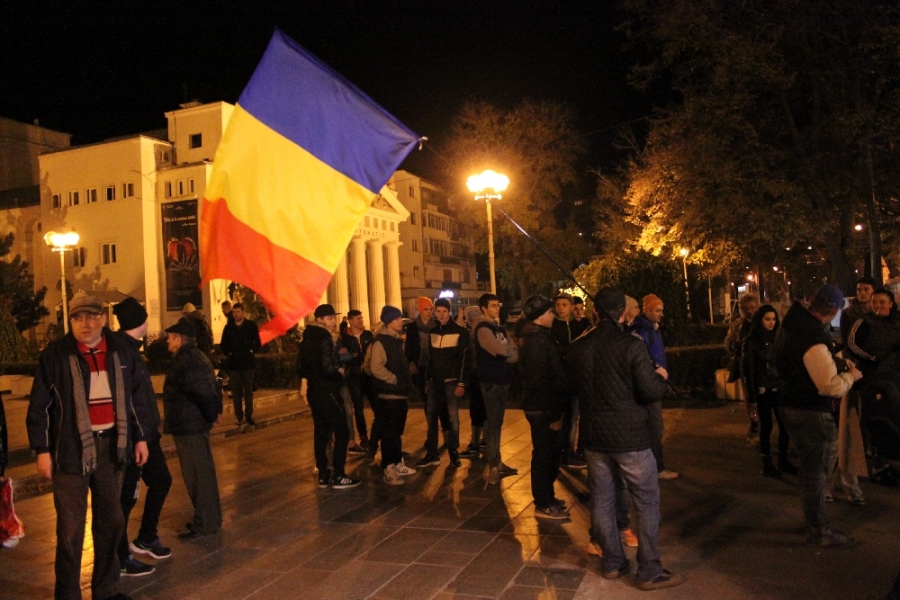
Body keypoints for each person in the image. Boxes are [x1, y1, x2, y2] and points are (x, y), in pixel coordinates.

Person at [27, 292, 150, 600]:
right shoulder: (56, 355)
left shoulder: (121, 351)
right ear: (70, 322)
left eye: (91, 317)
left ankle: (106, 590)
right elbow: (39, 406)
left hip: (112, 448)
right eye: (77, 318)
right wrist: (42, 450)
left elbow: (134, 399)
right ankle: (67, 594)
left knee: (111, 522)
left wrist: (140, 438)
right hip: (69, 452)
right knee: (70, 531)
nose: (84, 324)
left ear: (103, 319)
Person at [570, 288, 681, 591]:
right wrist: (660, 375)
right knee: (645, 501)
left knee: (603, 501)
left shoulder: (580, 347)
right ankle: (648, 570)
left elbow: (572, 387)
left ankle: (612, 562)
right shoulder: (631, 346)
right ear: (622, 313)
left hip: (594, 437)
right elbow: (650, 391)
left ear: (594, 313)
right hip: (629, 437)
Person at [775, 285, 862, 546]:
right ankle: (818, 529)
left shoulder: (792, 324)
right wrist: (850, 376)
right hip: (810, 410)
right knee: (815, 470)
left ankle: (814, 522)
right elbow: (828, 386)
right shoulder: (811, 335)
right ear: (833, 310)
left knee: (808, 469)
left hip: (790, 404)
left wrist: (833, 360)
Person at [113, 297, 173, 576]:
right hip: (137, 438)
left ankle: (146, 538)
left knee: (161, 480)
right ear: (139, 321)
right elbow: (129, 400)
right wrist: (139, 436)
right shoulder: (122, 353)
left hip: (147, 434)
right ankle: (120, 555)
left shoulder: (131, 351)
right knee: (127, 496)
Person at [163, 319, 223, 540]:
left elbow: (204, 392)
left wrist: (212, 414)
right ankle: (210, 518)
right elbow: (213, 387)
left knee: (197, 475)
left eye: (170, 337)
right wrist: (215, 412)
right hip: (193, 423)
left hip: (190, 425)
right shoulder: (196, 356)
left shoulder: (187, 360)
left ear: (179, 339)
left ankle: (204, 522)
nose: (168, 341)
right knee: (202, 473)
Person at [296, 304, 360, 489]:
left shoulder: (306, 339)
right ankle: (339, 475)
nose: (333, 322)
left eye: (334, 318)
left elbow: (300, 368)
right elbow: (328, 367)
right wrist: (338, 372)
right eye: (330, 318)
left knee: (321, 432)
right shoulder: (324, 339)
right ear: (320, 320)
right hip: (328, 390)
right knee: (341, 431)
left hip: (314, 391)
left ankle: (324, 475)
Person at [518, 295, 570, 519]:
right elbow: (540, 382)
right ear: (539, 316)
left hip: (544, 408)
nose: (553, 315)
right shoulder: (537, 343)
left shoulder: (542, 338)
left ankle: (548, 496)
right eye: (549, 312)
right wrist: (553, 414)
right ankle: (543, 502)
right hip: (542, 409)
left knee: (550, 454)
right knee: (544, 455)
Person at [742, 304, 796, 477]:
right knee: (767, 426)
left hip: (778, 385)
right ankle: (767, 463)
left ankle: (783, 460)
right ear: (760, 320)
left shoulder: (780, 338)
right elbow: (749, 368)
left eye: (773, 319)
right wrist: (752, 394)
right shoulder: (752, 341)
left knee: (784, 424)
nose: (771, 323)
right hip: (763, 387)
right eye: (767, 319)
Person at [470, 293, 519, 484]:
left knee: (497, 423)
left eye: (497, 305)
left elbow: (512, 348)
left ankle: (497, 462)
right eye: (492, 305)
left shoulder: (499, 327)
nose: (496, 308)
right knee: (492, 424)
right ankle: (493, 465)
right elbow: (498, 349)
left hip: (502, 379)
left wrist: (509, 353)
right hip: (491, 381)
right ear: (484, 308)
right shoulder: (482, 327)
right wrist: (508, 353)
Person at [629, 294, 678, 480]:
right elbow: (642, 360)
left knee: (654, 426)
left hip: (654, 382)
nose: (661, 314)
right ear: (647, 310)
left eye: (661, 310)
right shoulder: (642, 330)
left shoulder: (650, 328)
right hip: (650, 385)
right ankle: (656, 468)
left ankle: (653, 467)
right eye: (657, 310)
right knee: (654, 427)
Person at [418, 298, 470, 469]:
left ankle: (453, 451)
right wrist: (427, 379)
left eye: (444, 311)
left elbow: (465, 359)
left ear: (449, 311)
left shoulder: (460, 332)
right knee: (431, 418)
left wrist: (461, 383)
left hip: (451, 382)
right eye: (438, 311)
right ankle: (432, 453)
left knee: (453, 419)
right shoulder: (433, 332)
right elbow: (430, 359)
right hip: (435, 382)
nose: (441, 315)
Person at [370, 305, 418, 485]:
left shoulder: (395, 340)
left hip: (399, 395)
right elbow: (376, 367)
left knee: (397, 432)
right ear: (389, 321)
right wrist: (394, 379)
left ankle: (397, 463)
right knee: (389, 433)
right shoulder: (381, 341)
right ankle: (389, 468)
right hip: (388, 396)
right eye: (397, 318)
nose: (401, 321)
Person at [551, 293, 589, 469]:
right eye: (558, 305)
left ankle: (572, 450)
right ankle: (565, 451)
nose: (561, 308)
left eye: (564, 305)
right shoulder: (554, 326)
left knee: (574, 416)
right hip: (561, 378)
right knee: (565, 417)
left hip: (576, 377)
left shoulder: (578, 325)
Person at [339, 309, 374, 453]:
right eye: (358, 319)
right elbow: (343, 357)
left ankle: (378, 436)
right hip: (354, 376)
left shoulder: (368, 335)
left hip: (369, 374)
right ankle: (364, 437)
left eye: (361, 318)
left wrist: (354, 355)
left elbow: (372, 353)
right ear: (351, 321)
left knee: (376, 405)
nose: (361, 321)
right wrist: (358, 355)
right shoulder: (344, 338)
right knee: (358, 408)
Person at [220, 303, 261, 427]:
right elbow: (223, 344)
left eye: (238, 312)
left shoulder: (250, 326)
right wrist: (229, 353)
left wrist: (251, 350)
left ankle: (249, 415)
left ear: (243, 312)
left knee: (248, 391)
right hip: (234, 364)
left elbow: (257, 342)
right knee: (236, 392)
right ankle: (239, 416)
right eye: (234, 312)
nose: (236, 314)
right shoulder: (229, 328)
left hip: (248, 363)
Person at [725, 293, 760, 434]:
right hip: (746, 367)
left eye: (752, 307)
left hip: (762, 367)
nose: (750, 311)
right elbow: (728, 342)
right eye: (746, 309)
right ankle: (753, 421)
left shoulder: (763, 322)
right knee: (749, 396)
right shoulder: (737, 325)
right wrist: (734, 346)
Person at [459, 305, 488, 458]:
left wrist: (462, 382)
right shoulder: (487, 331)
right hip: (487, 378)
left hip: (476, 378)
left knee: (476, 411)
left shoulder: (471, 335)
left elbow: (467, 360)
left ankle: (475, 444)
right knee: (484, 410)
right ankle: (484, 440)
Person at [840, 276, 876, 344]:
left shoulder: (877, 312)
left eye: (866, 289)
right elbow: (844, 339)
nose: (862, 293)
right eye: (859, 290)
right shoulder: (848, 312)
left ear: (873, 291)